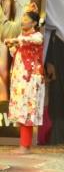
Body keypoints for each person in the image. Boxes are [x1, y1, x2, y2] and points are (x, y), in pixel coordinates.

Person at [5, 9, 45, 153]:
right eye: (22, 18)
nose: (23, 21)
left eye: (26, 19)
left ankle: (25, 146)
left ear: (34, 23)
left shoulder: (37, 35)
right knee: (21, 110)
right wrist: (12, 47)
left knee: (27, 110)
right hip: (20, 78)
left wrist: (17, 40)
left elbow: (35, 40)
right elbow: (17, 53)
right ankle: (24, 145)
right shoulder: (21, 36)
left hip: (31, 78)